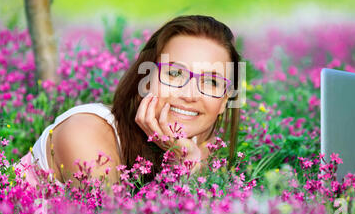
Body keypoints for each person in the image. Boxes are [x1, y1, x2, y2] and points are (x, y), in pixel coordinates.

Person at [15, 15, 241, 188]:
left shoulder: (201, 149)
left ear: (224, 101)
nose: (190, 94)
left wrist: (186, 160)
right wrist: (187, 169)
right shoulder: (85, 131)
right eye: (174, 74)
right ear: (146, 79)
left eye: (211, 81)